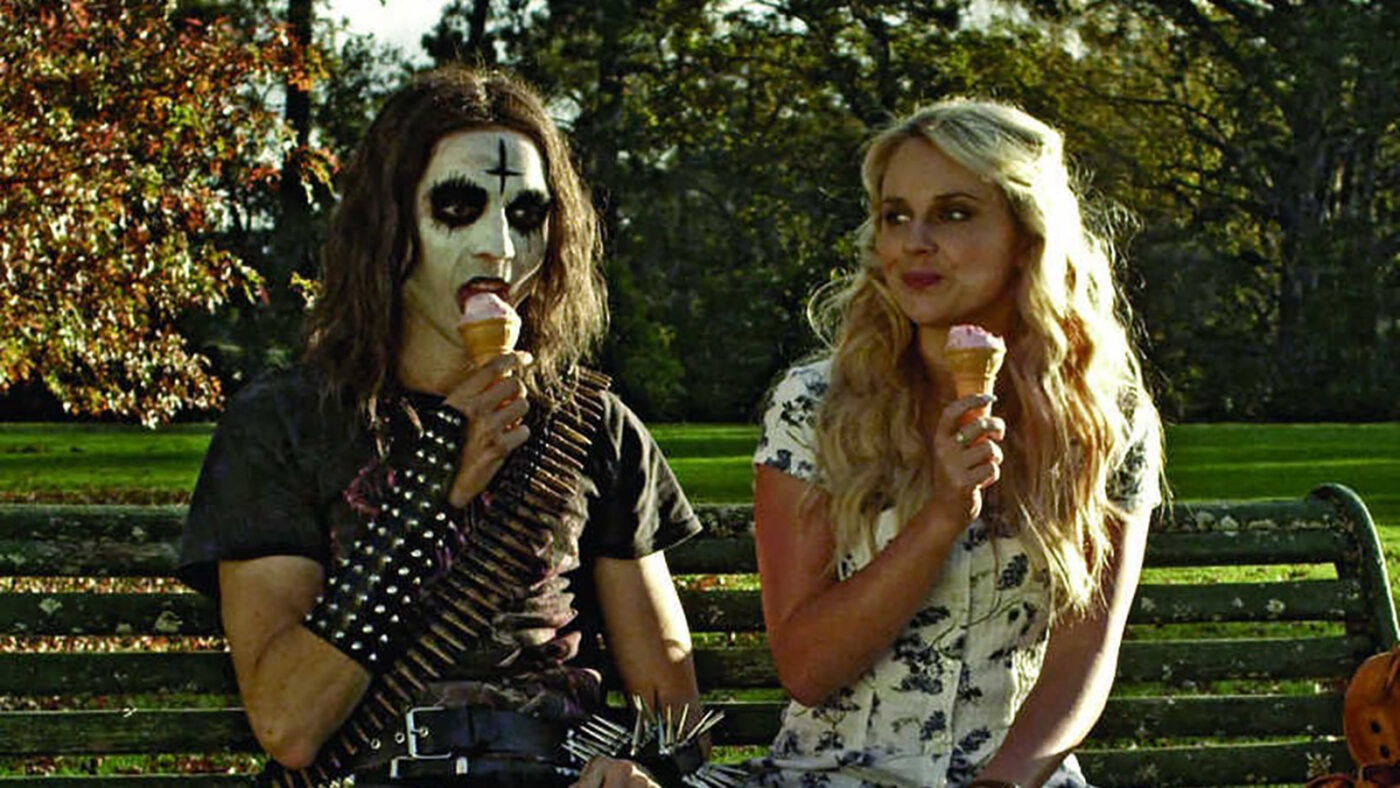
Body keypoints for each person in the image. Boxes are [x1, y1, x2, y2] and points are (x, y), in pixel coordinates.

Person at [178, 66, 712, 788]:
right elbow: (289, 724)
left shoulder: (587, 425)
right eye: (458, 208)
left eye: (527, 213)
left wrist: (639, 766)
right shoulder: (286, 422)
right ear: (388, 224)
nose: (500, 247)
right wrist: (435, 486)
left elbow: (673, 713)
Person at [748, 99, 1164, 787]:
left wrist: (1003, 784)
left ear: (1026, 238)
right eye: (896, 216)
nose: (915, 241)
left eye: (954, 213)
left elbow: (1083, 659)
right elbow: (807, 668)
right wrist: (942, 514)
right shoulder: (818, 405)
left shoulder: (1103, 416)